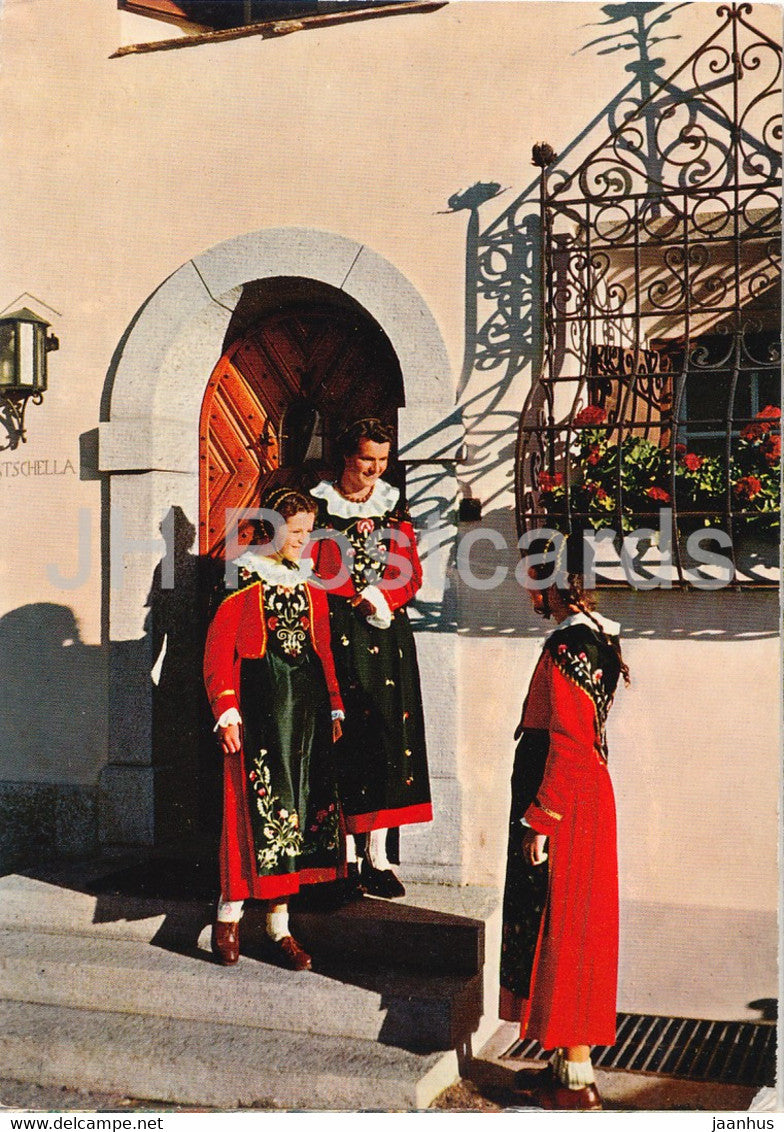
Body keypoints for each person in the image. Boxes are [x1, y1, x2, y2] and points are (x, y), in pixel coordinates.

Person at [499, 540, 629, 1110]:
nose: (526, 591)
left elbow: (571, 741)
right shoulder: (599, 637)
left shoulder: (566, 645)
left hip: (567, 799)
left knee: (566, 929)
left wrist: (542, 818)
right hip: (582, 794)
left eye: (530, 579)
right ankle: (561, 1067)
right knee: (563, 926)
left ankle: (578, 1082)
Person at [203, 488, 346, 971]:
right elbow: (219, 650)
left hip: (303, 719)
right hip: (259, 719)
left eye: (309, 530)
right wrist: (225, 709)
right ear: (271, 528)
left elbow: (322, 648)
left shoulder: (307, 583)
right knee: (252, 817)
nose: (305, 541)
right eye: (297, 531)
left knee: (296, 818)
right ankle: (228, 917)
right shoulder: (242, 578)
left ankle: (279, 927)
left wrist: (334, 706)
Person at [310, 418, 432, 899]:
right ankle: (342, 858)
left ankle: (377, 857)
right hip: (337, 630)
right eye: (367, 460)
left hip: (386, 633)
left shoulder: (391, 506)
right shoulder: (319, 506)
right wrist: (350, 593)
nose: (375, 470)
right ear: (346, 457)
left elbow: (410, 572)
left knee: (386, 737)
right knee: (345, 740)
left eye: (382, 461)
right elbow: (312, 567)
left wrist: (383, 596)